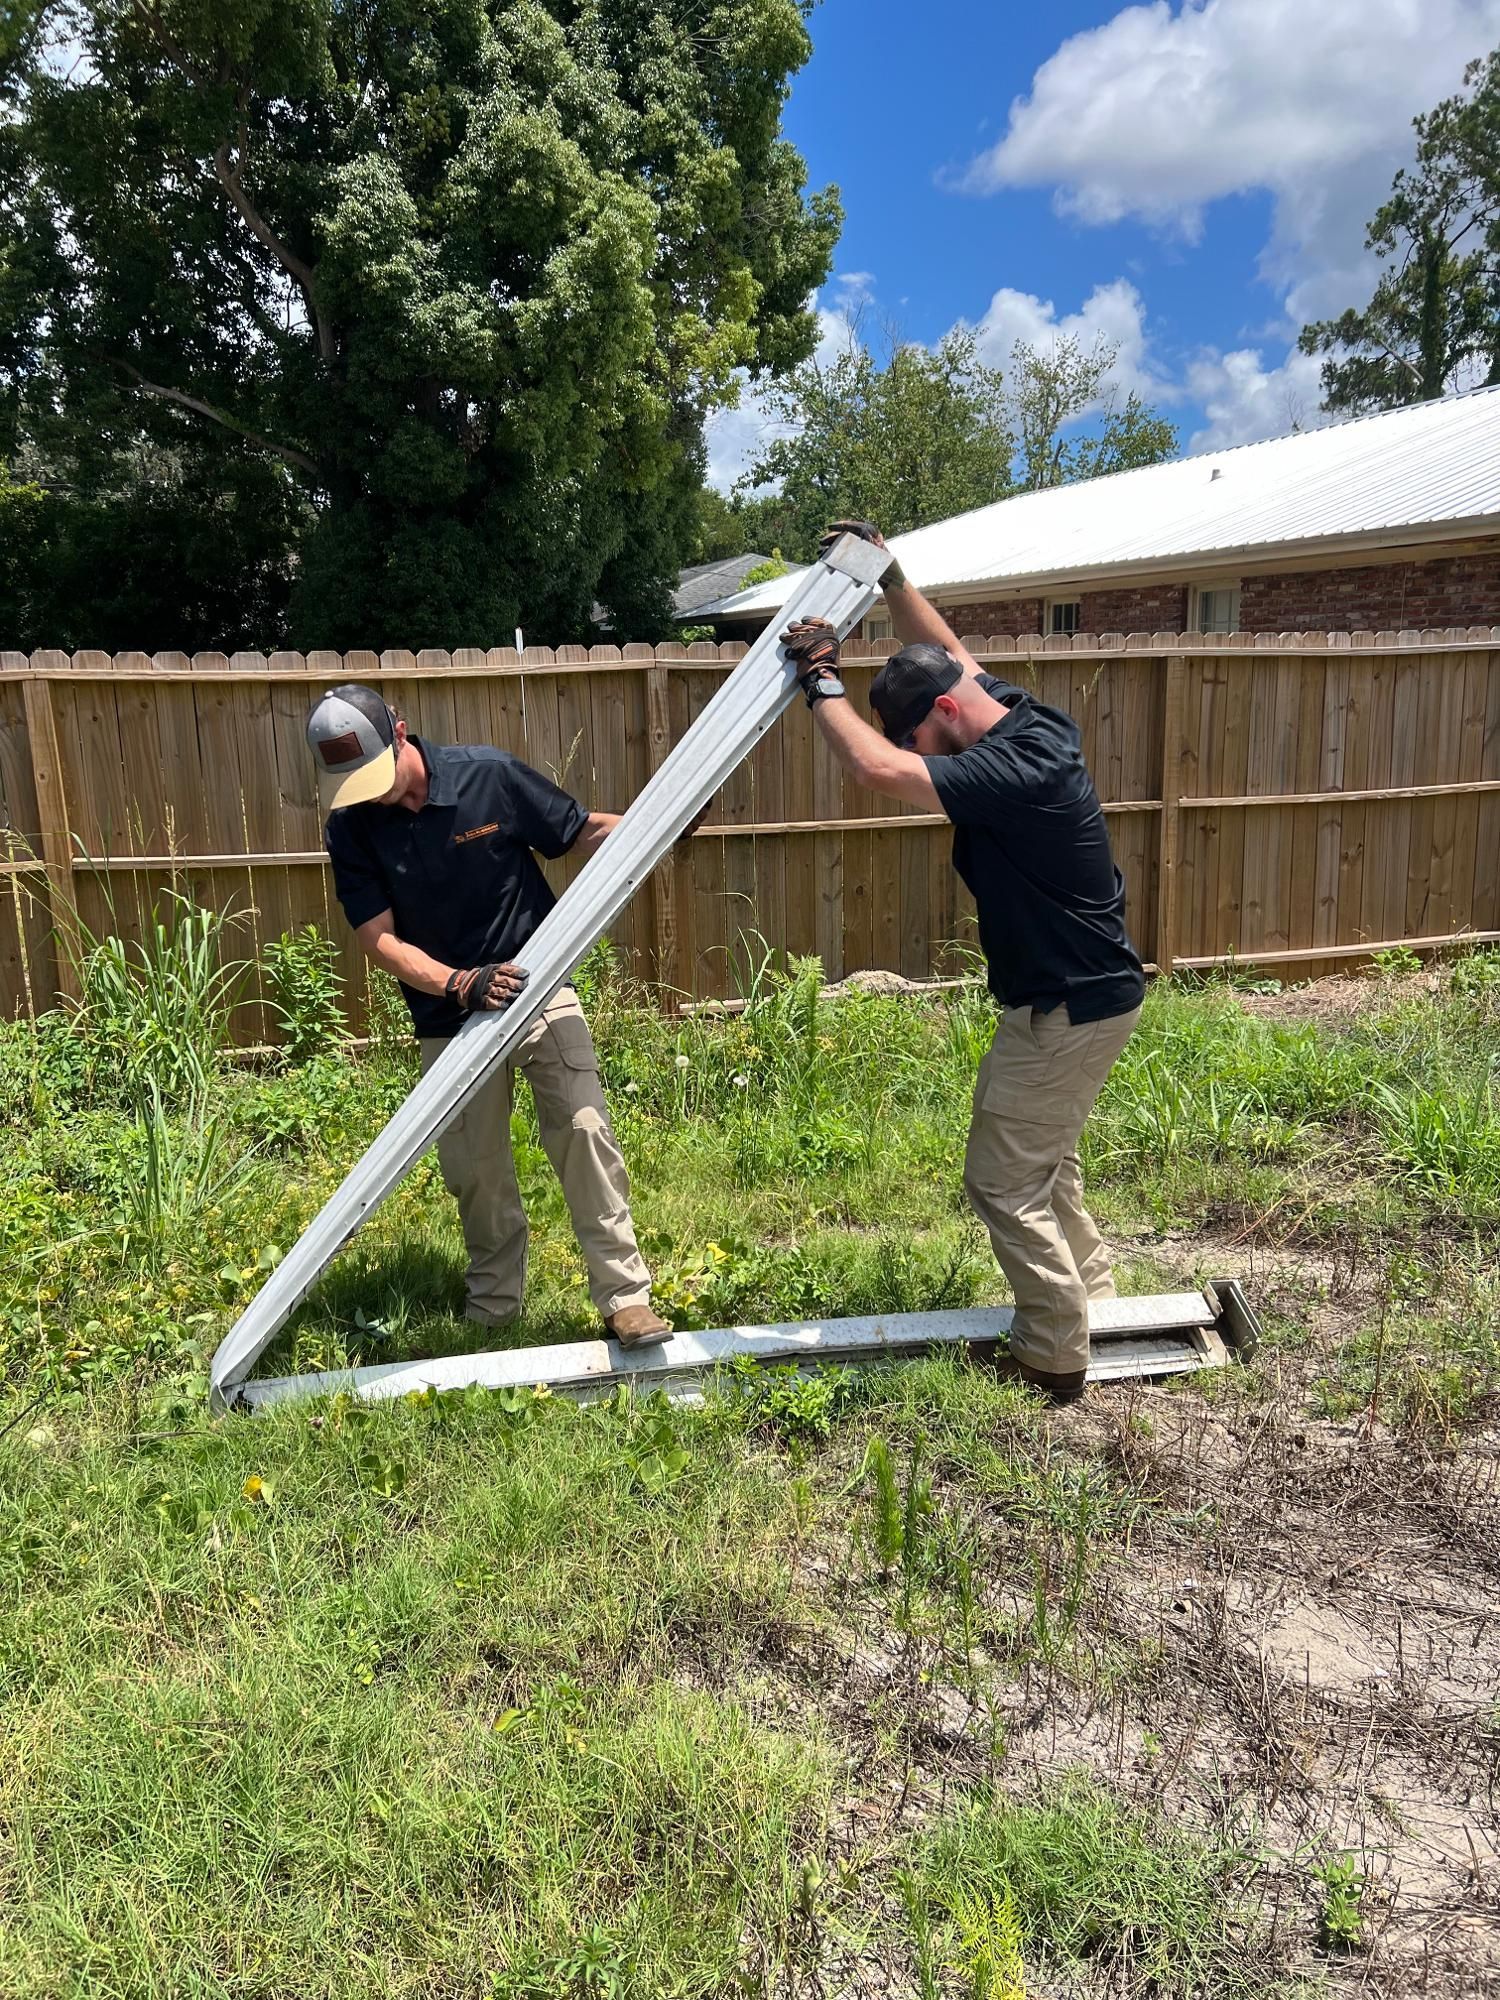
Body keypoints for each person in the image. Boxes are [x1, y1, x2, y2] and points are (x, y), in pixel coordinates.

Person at [781, 523, 1145, 1402]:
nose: (916, 758)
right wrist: (894, 576)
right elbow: (948, 652)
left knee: (1000, 1183)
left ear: (945, 714)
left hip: (1069, 1001)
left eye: (920, 739)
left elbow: (872, 770)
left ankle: (1055, 1352)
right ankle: (1093, 1295)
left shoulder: (1013, 766)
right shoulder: (1013, 713)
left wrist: (819, 680)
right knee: (1042, 1160)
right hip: (1074, 994)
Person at [307, 682, 671, 1348]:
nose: (367, 791)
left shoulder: (487, 776)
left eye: (372, 773)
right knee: (475, 1170)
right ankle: (496, 1306)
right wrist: (457, 984)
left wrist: (666, 823)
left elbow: (581, 830)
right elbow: (377, 937)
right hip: (450, 1014)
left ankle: (624, 1298)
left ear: (401, 733)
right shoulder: (351, 826)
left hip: (537, 986)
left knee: (584, 1127)